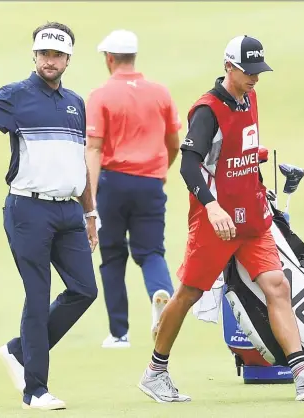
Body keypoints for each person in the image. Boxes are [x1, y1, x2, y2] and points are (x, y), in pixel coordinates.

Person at [138, 35, 304, 403]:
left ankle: (302, 375)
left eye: (258, 71)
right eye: (248, 71)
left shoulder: (249, 98)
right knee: (189, 294)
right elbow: (190, 166)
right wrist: (212, 206)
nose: (255, 78)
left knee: (277, 286)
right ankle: (155, 372)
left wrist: (256, 169)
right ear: (229, 67)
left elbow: (240, 152)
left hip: (252, 219)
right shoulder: (207, 111)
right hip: (216, 223)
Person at [0, 22, 98, 411]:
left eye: (57, 55)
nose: (49, 61)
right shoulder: (14, 95)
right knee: (37, 298)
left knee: (85, 290)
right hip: (28, 209)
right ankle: (35, 389)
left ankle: (19, 350)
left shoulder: (75, 102)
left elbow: (79, 163)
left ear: (68, 59)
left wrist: (90, 212)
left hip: (69, 210)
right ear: (34, 56)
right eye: (44, 54)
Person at [85, 29, 181, 349]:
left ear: (109, 59)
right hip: (150, 182)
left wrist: (91, 197)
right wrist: (157, 170)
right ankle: (161, 299)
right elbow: (173, 143)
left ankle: (119, 333)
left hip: (113, 182)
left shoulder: (101, 95)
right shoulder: (160, 92)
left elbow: (95, 149)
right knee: (151, 251)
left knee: (113, 256)